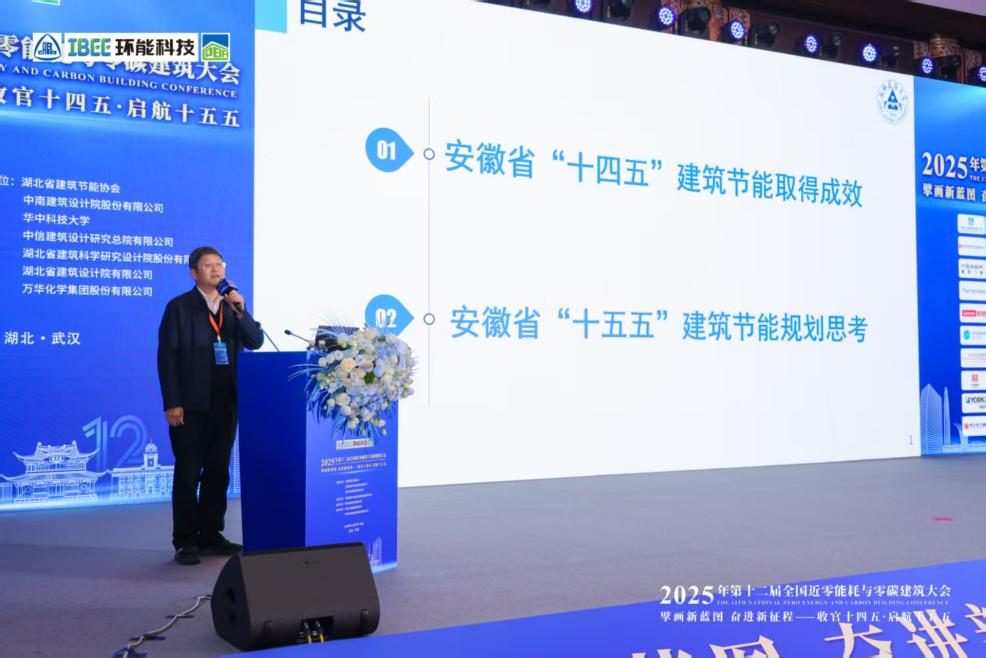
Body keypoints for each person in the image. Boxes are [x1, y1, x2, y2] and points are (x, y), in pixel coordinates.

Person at [157, 246, 264, 565]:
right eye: (208, 265)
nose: (216, 270)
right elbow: (167, 359)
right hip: (190, 405)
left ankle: (210, 534)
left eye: (219, 264)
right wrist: (173, 402)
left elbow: (255, 341)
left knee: (218, 471)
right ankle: (185, 540)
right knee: (189, 472)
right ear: (194, 273)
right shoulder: (179, 307)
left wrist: (241, 311)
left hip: (226, 402)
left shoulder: (232, 306)